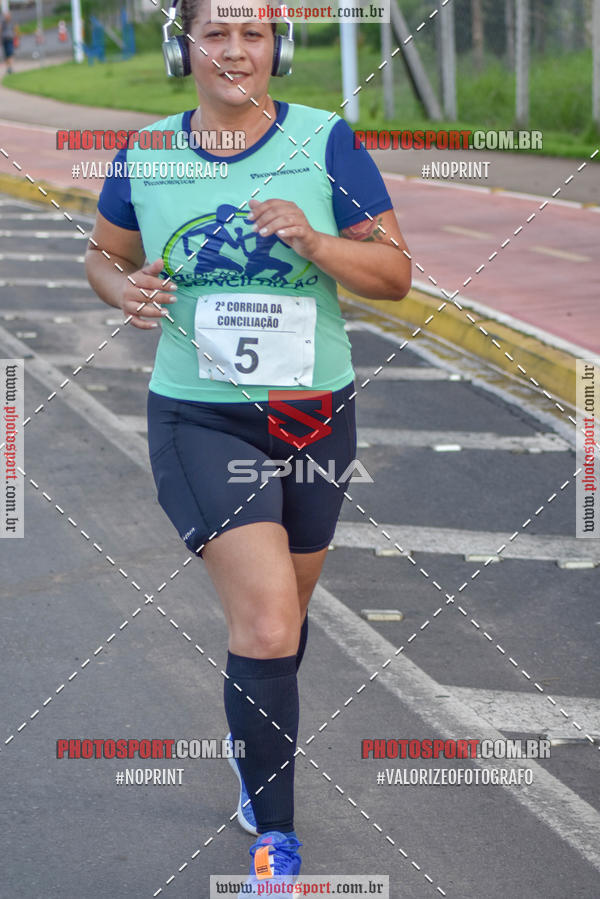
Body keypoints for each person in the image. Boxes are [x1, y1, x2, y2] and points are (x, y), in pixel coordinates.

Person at [85, 0, 411, 890]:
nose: (235, 50)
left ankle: (249, 743)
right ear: (183, 45)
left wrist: (312, 239)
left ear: (280, 45)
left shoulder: (326, 140)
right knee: (266, 621)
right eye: (215, 33)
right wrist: (125, 293)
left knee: (285, 623)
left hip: (315, 414)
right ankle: (276, 835)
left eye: (253, 33)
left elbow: (395, 276)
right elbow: (104, 255)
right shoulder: (147, 150)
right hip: (200, 415)